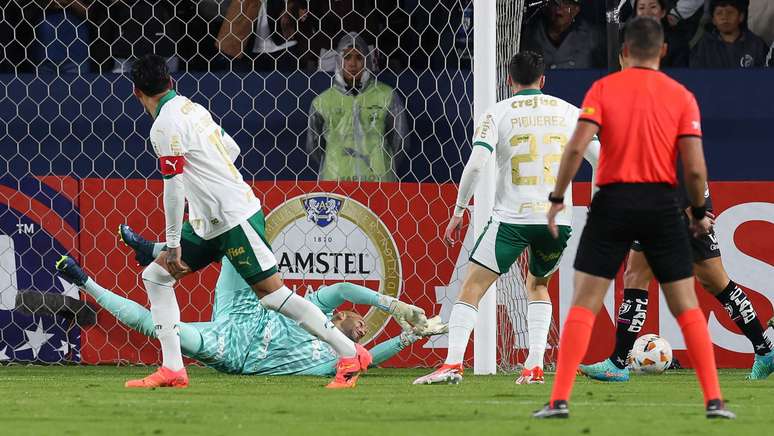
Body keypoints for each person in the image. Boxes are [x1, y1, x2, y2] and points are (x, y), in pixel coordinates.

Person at [126, 54, 426, 389]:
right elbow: (233, 149)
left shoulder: (163, 127)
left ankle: (348, 353)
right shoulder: (192, 109)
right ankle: (173, 369)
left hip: (233, 217)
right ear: (171, 82)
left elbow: (174, 185)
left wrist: (172, 243)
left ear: (137, 93)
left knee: (272, 295)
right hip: (210, 220)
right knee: (156, 277)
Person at [534, 16, 734, 419]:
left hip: (612, 204)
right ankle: (714, 400)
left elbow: (576, 148)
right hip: (662, 205)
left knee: (585, 301)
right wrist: (697, 212)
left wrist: (557, 197)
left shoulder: (603, 89)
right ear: (662, 51)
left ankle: (558, 400)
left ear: (624, 52)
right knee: (684, 304)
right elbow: (694, 168)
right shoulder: (681, 97)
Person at [412, 51, 599, 386]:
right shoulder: (572, 113)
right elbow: (602, 160)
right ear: (544, 80)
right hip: (557, 220)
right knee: (538, 284)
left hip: (512, 219)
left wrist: (458, 209)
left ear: (509, 80)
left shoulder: (497, 112)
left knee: (472, 286)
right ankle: (535, 366)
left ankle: (453, 364)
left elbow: (476, 165)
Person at [54, 234, 446, 376]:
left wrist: (411, 335)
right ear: (340, 314)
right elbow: (345, 284)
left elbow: (370, 358)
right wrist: (392, 305)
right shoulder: (318, 307)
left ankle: (85, 282)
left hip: (235, 351)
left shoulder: (332, 358)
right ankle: (158, 250)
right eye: (361, 322)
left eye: (363, 334)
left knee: (157, 326)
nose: (363, 330)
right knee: (234, 242)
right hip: (247, 310)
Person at [579, 180, 774, 380]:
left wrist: (693, 211)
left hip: (674, 201)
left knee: (711, 281)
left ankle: (618, 363)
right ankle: (765, 351)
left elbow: (679, 164)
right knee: (640, 275)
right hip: (663, 200)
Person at [306, 32, 408, 182]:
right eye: (347, 57)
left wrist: (385, 162)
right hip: (336, 180)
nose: (352, 64)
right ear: (339, 61)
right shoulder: (322, 102)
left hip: (378, 180)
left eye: (359, 57)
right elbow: (314, 147)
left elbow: (399, 142)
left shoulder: (386, 96)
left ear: (367, 61)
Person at [521, 0, 605, 69]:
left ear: (576, 9)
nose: (559, 9)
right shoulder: (528, 35)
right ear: (545, 7)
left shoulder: (592, 36)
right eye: (555, 3)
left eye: (566, 3)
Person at [690, 0, 768, 68]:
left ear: (741, 17)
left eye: (730, 12)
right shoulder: (702, 47)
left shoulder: (757, 45)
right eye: (719, 13)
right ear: (713, 20)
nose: (725, 17)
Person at [626, 0, 690, 67]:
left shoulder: (677, 42)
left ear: (663, 12)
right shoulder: (629, 39)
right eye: (641, 8)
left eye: (653, 7)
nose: (647, 12)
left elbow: (681, 74)